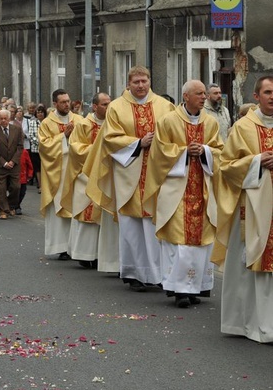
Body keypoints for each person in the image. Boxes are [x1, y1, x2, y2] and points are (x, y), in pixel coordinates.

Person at [85, 66, 175, 291]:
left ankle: (158, 274)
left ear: (150, 80)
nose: (141, 85)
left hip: (157, 173)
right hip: (129, 172)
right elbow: (110, 138)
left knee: (155, 224)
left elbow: (175, 133)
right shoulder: (116, 107)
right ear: (128, 83)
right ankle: (133, 272)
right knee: (132, 226)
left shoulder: (165, 106)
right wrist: (138, 143)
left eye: (144, 81)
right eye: (136, 82)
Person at [143, 80, 222, 307]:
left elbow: (221, 151)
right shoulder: (168, 121)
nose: (204, 97)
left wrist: (205, 151)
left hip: (203, 188)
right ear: (185, 96)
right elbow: (158, 154)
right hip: (176, 190)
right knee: (178, 241)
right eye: (199, 94)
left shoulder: (211, 122)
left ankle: (196, 286)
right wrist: (184, 152)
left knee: (201, 241)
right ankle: (178, 289)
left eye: (204, 93)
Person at [216, 75, 273, 341]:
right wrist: (256, 161)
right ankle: (246, 323)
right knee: (250, 264)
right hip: (251, 208)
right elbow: (226, 166)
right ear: (256, 96)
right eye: (268, 92)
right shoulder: (243, 128)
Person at [61, 92, 111, 269]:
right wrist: (99, 151)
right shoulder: (83, 124)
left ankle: (98, 255)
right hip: (85, 176)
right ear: (95, 107)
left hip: (105, 176)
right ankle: (83, 253)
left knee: (103, 218)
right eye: (104, 104)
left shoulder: (113, 124)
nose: (108, 107)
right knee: (86, 215)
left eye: (109, 103)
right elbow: (76, 149)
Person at [39, 89, 83, 260]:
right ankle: (61, 246)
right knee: (59, 209)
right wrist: (63, 136)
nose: (67, 104)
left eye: (68, 101)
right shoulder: (47, 124)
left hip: (76, 171)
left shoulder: (79, 120)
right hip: (57, 172)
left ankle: (75, 246)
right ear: (55, 104)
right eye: (63, 102)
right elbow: (44, 147)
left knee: (75, 206)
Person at [0, 109, 23, 219]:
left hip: (14, 165)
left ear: (9, 118)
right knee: (1, 189)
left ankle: (10, 205)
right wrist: (3, 163)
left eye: (5, 118)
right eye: (1, 118)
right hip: (0, 166)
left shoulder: (17, 130)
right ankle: (3, 211)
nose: (3, 121)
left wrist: (13, 161)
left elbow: (20, 147)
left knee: (16, 187)